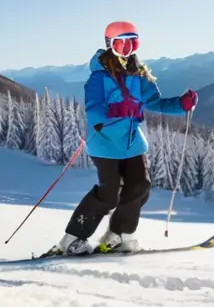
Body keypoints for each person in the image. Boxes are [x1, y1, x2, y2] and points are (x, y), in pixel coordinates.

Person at [44, 20, 198, 257]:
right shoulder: (99, 78)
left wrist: (181, 104)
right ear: (110, 45)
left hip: (132, 143)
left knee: (140, 186)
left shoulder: (139, 74)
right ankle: (72, 239)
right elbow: (94, 111)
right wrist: (116, 111)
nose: (127, 50)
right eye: (121, 45)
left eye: (132, 44)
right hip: (105, 144)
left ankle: (117, 235)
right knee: (109, 194)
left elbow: (155, 102)